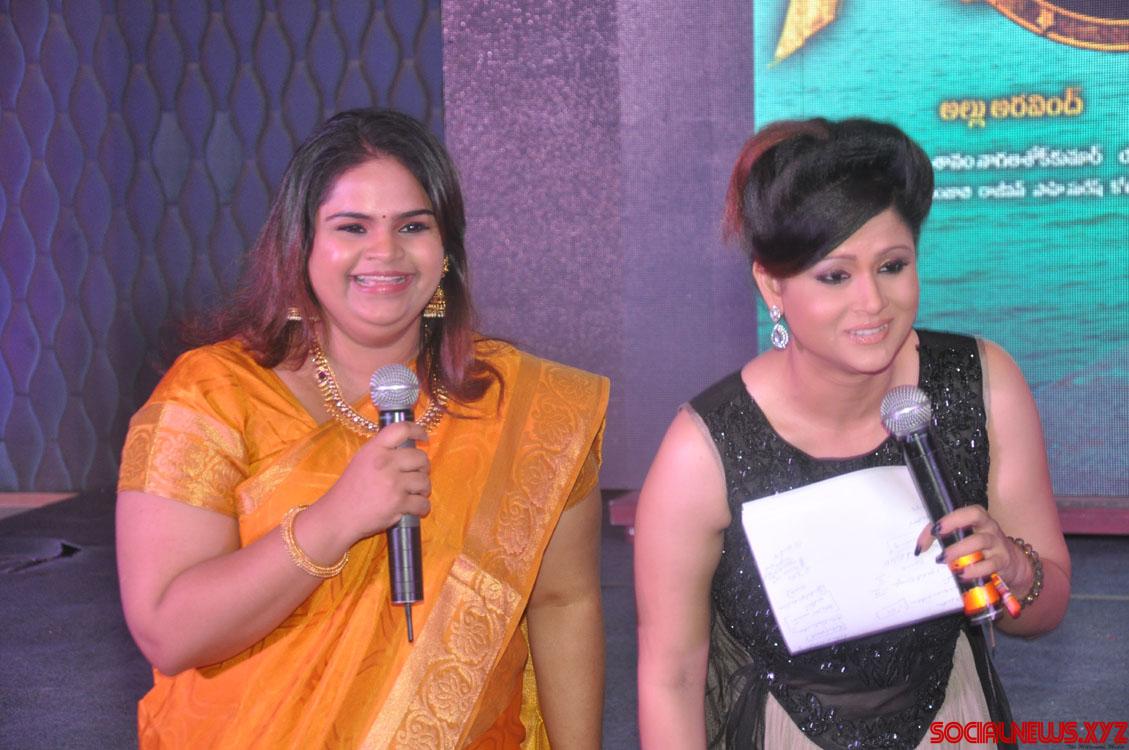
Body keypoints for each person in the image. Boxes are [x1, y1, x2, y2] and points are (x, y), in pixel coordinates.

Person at [116, 108, 608, 749]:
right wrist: (335, 519)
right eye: (352, 227)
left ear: (446, 251)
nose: (385, 252)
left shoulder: (526, 408)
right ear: (302, 246)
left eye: (413, 226)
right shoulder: (213, 397)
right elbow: (169, 632)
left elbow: (563, 604)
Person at [634, 118, 1070, 749]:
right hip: (785, 730)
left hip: (953, 720)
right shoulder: (704, 451)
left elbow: (1044, 610)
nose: (872, 302)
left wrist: (1018, 571)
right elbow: (671, 676)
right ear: (772, 284)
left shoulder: (981, 384)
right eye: (835, 276)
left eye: (892, 266)